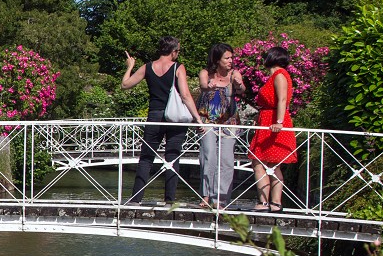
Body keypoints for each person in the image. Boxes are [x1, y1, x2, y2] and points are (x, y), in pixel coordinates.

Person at [122, 37, 204, 206]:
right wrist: (197, 119)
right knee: (172, 157)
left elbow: (125, 84)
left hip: (154, 116)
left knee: (146, 158)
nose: (178, 54)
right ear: (173, 51)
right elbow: (186, 95)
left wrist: (130, 67)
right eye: (178, 51)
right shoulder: (178, 67)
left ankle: (136, 199)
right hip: (174, 118)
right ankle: (169, 200)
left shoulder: (147, 67)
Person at [247, 45, 297, 212]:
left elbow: (282, 100)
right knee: (270, 163)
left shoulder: (280, 75)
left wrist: (279, 122)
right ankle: (273, 203)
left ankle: (267, 202)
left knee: (262, 162)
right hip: (268, 119)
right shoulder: (278, 75)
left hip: (274, 122)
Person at [197, 42, 246, 209]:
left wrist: (239, 84)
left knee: (226, 160)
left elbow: (241, 88)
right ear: (217, 59)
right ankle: (206, 195)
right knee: (208, 156)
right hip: (207, 120)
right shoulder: (206, 73)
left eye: (232, 57)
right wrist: (208, 85)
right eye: (227, 58)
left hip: (229, 121)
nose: (231, 60)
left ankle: (221, 198)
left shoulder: (234, 74)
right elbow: (204, 85)